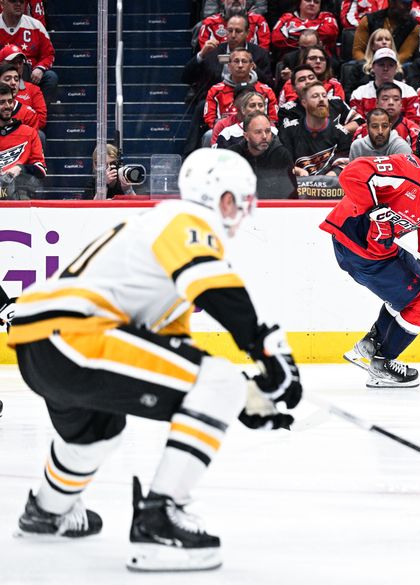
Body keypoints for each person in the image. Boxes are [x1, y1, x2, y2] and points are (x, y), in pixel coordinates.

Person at [9, 148, 302, 571]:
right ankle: (159, 519)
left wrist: (245, 397)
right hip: (76, 336)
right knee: (217, 380)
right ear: (223, 199)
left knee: (95, 433)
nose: (243, 212)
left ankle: (47, 511)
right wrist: (263, 349)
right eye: (241, 199)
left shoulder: (151, 232)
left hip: (41, 346)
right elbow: (217, 291)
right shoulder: (186, 220)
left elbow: (174, 358)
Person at [320, 123, 420, 388]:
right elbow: (352, 173)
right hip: (358, 247)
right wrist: (372, 210)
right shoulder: (403, 168)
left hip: (384, 250)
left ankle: (370, 345)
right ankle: (382, 365)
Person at [281, 81, 353, 177]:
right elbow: (281, 163)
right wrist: (298, 171)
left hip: (331, 189)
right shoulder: (288, 131)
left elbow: (346, 163)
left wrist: (333, 174)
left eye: (324, 95)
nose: (321, 99)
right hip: (297, 187)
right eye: (315, 96)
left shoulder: (342, 133)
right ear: (304, 103)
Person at [203, 47, 278, 132]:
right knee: (209, 134)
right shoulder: (215, 91)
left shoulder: (266, 91)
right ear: (229, 66)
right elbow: (210, 120)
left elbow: (273, 119)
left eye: (244, 61)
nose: (240, 65)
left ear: (252, 66)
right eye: (236, 61)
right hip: (224, 132)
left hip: (259, 133)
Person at [229, 112, 296, 198]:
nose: (264, 136)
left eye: (268, 131)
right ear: (246, 136)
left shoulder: (281, 154)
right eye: (258, 132)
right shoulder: (233, 156)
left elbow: (290, 195)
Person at [0, 0, 56, 103]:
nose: (18, 4)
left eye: (21, 2)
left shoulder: (36, 25)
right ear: (2, 4)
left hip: (29, 73)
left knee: (50, 77)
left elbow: (49, 54)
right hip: (2, 74)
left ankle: (36, 116)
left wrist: (40, 68)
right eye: (13, 1)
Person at [278, 65, 360, 133]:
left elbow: (359, 121)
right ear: (293, 88)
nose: (308, 82)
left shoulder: (335, 101)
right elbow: (292, 137)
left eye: (311, 78)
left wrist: (338, 132)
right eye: (302, 79)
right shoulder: (287, 110)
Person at [350, 48, 420, 122]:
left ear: (396, 68)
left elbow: (414, 122)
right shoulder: (359, 93)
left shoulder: (409, 92)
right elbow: (357, 124)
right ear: (373, 67)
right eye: (381, 64)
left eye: (390, 65)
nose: (385, 68)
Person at [0, 84, 45, 199]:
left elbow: (41, 169)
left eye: (10, 101)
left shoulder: (29, 133)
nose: (8, 106)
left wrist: (20, 168)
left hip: (18, 193)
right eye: (2, 102)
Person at [352, 0, 420, 63]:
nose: (409, 7)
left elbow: (404, 55)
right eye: (405, 3)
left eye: (410, 3)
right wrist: (372, 66)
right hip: (368, 63)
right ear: (392, 2)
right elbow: (358, 51)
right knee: (351, 67)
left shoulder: (414, 27)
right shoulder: (368, 20)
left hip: (396, 66)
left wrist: (385, 67)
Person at [271, 0, 339, 60]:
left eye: (316, 2)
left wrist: (294, 36)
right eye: (308, 0)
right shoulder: (287, 18)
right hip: (293, 58)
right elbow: (277, 39)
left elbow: (329, 33)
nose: (312, 4)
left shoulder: (326, 17)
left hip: (320, 58)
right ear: (299, 2)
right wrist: (313, 39)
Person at [0, 44, 46, 129]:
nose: (17, 66)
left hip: (23, 134)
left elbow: (41, 121)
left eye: (20, 62)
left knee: (40, 135)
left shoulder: (33, 89)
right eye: (13, 62)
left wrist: (14, 127)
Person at [198, 0, 270, 50]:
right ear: (224, 1)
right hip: (218, 69)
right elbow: (207, 57)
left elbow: (263, 55)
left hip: (252, 68)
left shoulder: (258, 21)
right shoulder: (210, 24)